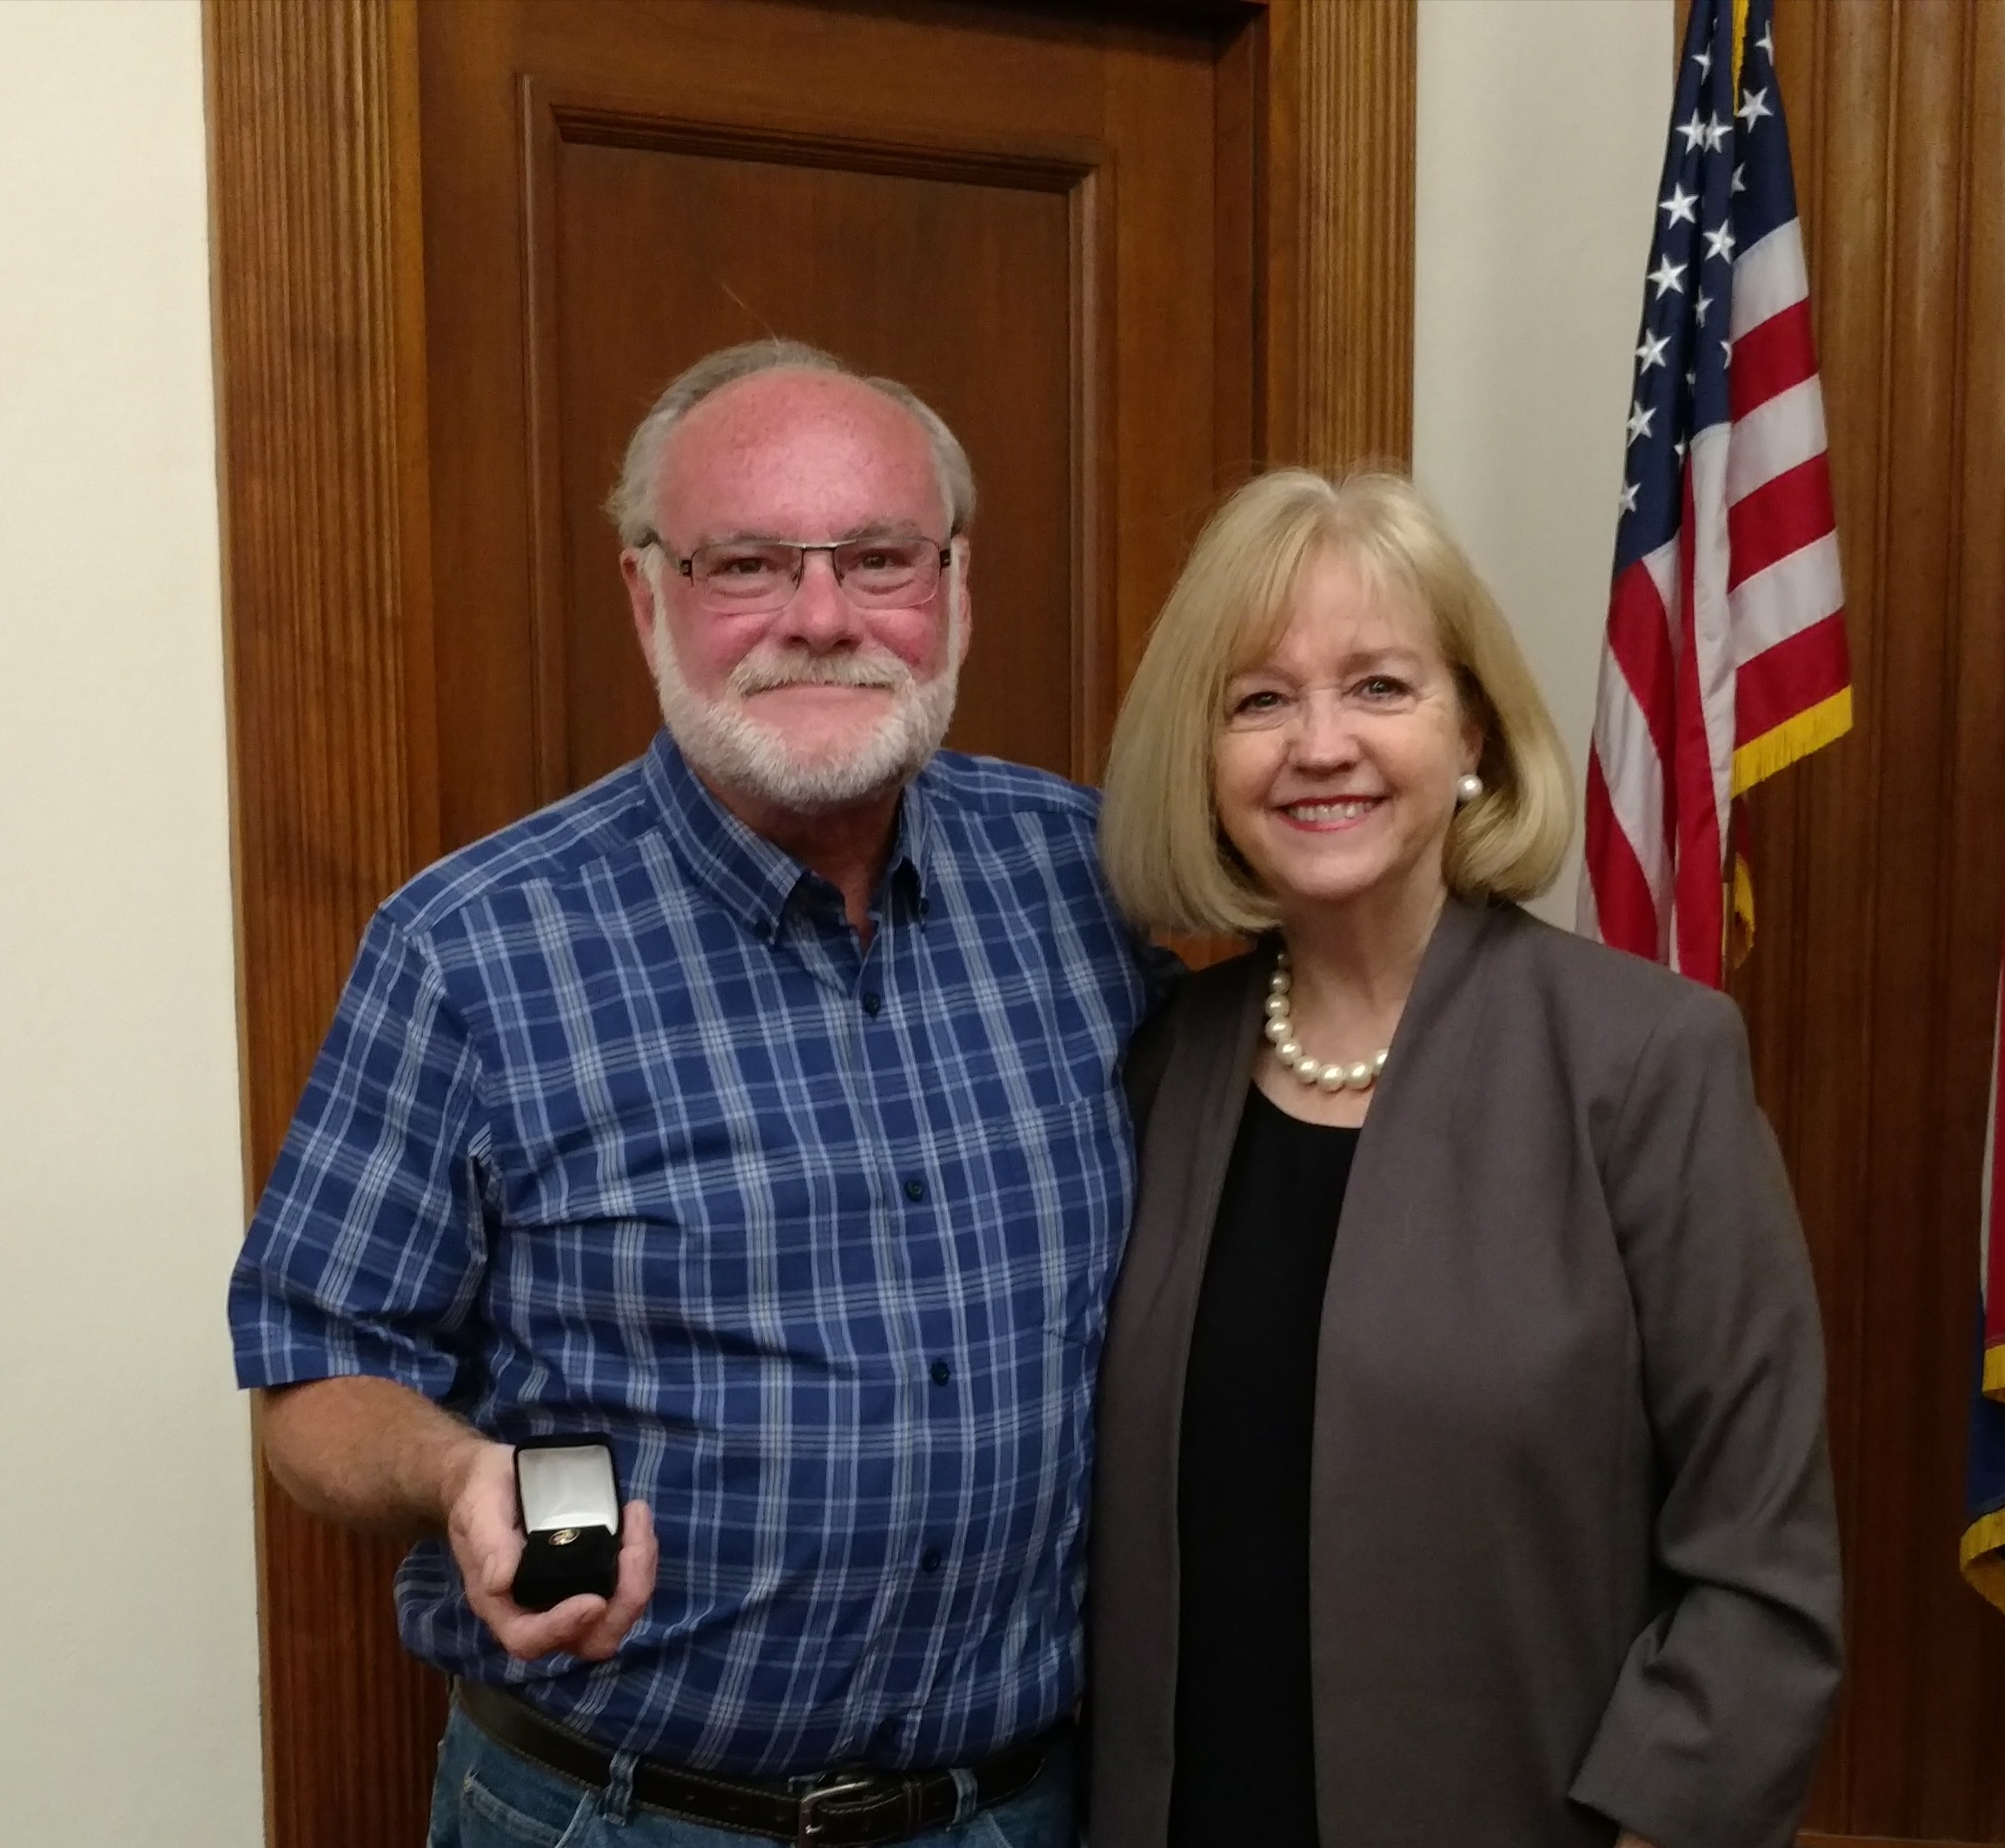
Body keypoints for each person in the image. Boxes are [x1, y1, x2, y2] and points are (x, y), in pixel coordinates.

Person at [229, 338, 1166, 1848]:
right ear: (644, 591)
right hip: (620, 1815)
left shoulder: (1093, 884)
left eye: (878, 558)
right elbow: (312, 1367)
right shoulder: (473, 948)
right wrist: (457, 1467)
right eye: (745, 563)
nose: (818, 618)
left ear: (956, 587)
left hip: (1019, 1810)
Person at [1087, 469, 1842, 1848]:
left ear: (1471, 730)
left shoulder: (1644, 1061)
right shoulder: (1158, 1064)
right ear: (1202, 759)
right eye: (1258, 700)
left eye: (1379, 687)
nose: (1320, 745)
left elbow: (1760, 1566)